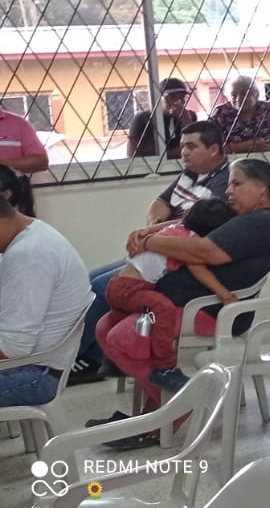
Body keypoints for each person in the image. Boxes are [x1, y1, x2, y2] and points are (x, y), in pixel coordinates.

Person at [96, 158, 270, 445]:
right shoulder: (246, 217)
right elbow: (190, 223)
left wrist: (149, 242)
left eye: (236, 183)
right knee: (105, 327)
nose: (228, 190)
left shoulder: (263, 222)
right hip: (175, 305)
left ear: (262, 189)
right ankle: (158, 407)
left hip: (205, 311)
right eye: (230, 183)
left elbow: (204, 251)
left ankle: (177, 408)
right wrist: (149, 231)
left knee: (123, 338)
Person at [73, 120, 231, 384]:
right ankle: (98, 357)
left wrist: (152, 236)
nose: (184, 152)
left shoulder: (224, 183)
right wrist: (154, 225)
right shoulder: (191, 173)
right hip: (159, 245)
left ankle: (86, 360)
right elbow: (160, 202)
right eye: (182, 146)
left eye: (192, 147)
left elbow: (196, 223)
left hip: (174, 255)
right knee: (91, 280)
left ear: (213, 149)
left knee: (103, 287)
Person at [103, 197, 236, 392]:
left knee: (138, 315)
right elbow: (200, 272)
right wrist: (226, 296)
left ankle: (116, 361)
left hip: (119, 285)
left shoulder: (175, 229)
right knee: (163, 308)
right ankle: (165, 367)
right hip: (131, 289)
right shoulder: (188, 243)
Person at [0, 192, 90, 408]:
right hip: (31, 364)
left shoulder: (28, 256)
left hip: (35, 374)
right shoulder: (33, 232)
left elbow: (13, 348)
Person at [207, 75, 270, 153]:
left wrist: (265, 147)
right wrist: (244, 146)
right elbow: (209, 148)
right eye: (233, 95)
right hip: (232, 161)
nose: (238, 98)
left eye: (244, 94)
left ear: (256, 94)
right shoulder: (220, 113)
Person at [128, 77, 198, 159]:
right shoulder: (143, 119)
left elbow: (196, 146)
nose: (179, 102)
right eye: (172, 97)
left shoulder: (189, 116)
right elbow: (132, 154)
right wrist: (176, 152)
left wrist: (187, 122)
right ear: (158, 98)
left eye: (183, 97)